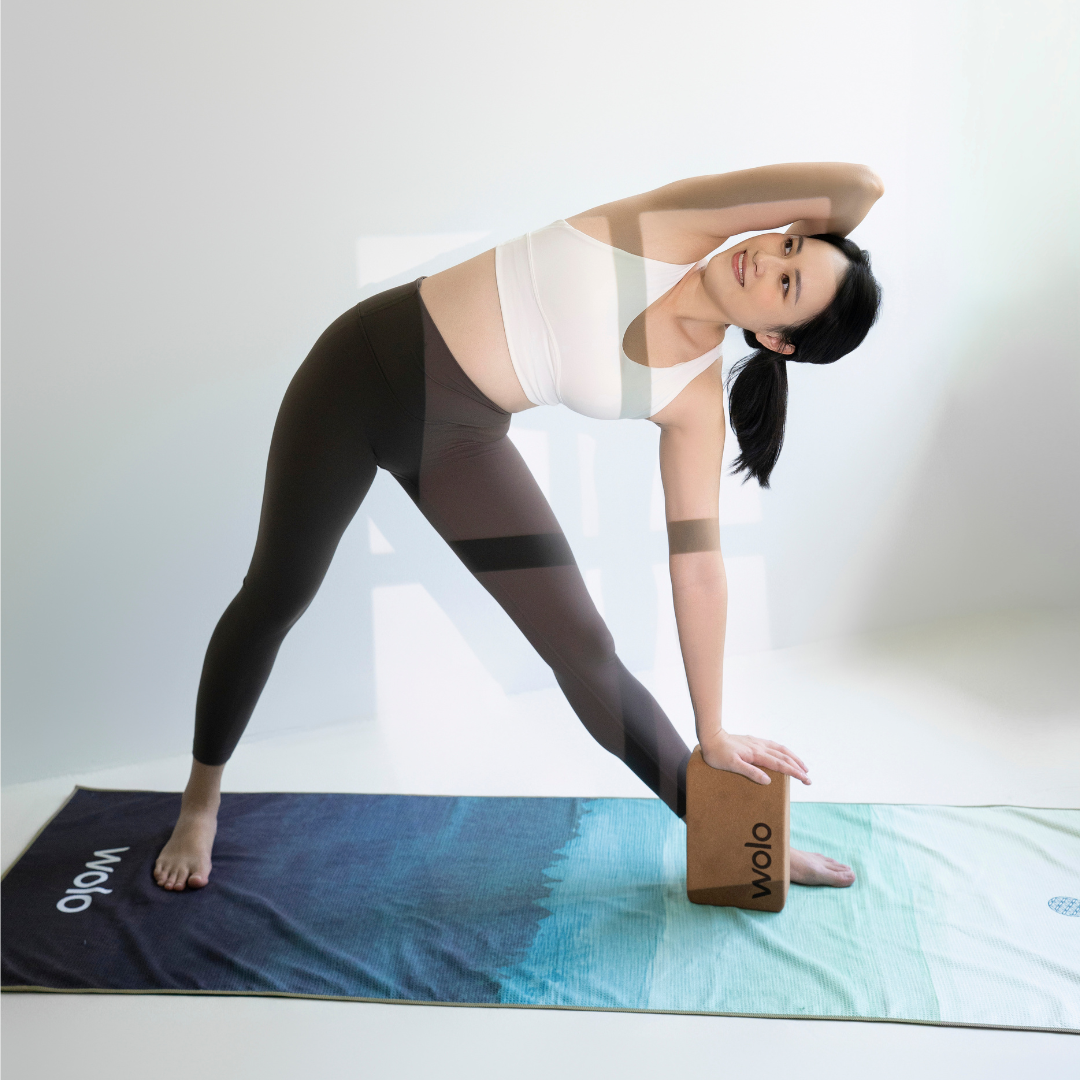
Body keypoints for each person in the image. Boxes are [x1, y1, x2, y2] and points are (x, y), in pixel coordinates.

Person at [154, 162, 884, 892]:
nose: (766, 258)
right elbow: (861, 186)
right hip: (355, 371)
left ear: (776, 341)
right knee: (278, 593)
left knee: (585, 648)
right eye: (788, 247)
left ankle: (729, 832)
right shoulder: (669, 226)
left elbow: (698, 567)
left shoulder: (694, 401)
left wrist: (715, 730)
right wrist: (818, 246)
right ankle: (200, 802)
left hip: (457, 444)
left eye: (786, 287)